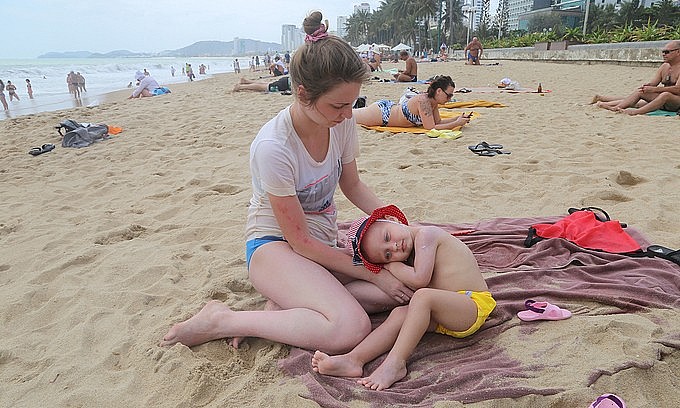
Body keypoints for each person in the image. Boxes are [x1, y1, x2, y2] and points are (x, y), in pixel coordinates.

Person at [161, 11, 412, 353]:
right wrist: (370, 272)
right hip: (276, 247)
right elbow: (299, 242)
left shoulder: (341, 123)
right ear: (301, 92)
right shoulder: (274, 147)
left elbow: (352, 185)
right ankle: (223, 319)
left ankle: (287, 308)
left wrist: (400, 221)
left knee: (398, 287)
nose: (348, 114)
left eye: (352, 104)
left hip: (320, 242)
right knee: (350, 328)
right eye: (338, 105)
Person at [311, 204, 495, 391]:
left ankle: (396, 363)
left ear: (393, 220)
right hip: (444, 314)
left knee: (422, 297)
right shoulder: (408, 252)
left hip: (472, 306)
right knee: (400, 314)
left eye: (387, 237)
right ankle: (354, 359)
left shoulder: (427, 235)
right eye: (387, 254)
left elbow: (420, 279)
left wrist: (391, 266)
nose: (394, 247)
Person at [592, 40, 680, 115]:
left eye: (667, 52)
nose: (664, 54)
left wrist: (654, 89)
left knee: (665, 95)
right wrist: (647, 87)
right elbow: (653, 84)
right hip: (663, 101)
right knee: (640, 92)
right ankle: (616, 108)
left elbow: (678, 89)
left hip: (676, 101)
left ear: (678, 52)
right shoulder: (664, 67)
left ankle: (636, 112)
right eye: (663, 52)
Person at [353, 75, 471, 130]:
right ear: (439, 91)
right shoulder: (423, 101)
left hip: (388, 111)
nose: (450, 98)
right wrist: (456, 123)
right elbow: (431, 127)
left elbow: (438, 121)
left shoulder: (433, 102)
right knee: (348, 116)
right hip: (382, 114)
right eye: (448, 95)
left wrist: (457, 119)